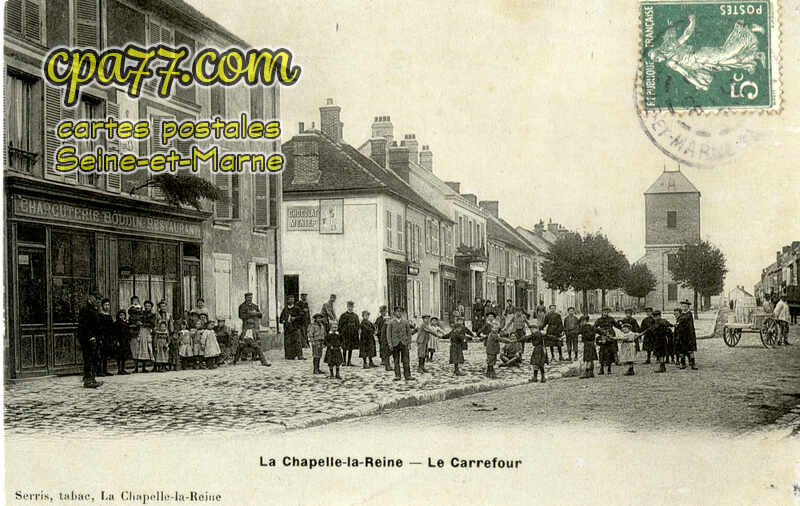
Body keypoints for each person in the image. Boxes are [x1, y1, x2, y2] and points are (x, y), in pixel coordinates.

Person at [237, 292, 271, 366]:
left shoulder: (255, 306)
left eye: (251, 297)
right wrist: (252, 314)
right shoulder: (242, 306)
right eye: (248, 297)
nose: (250, 299)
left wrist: (254, 313)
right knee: (246, 339)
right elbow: (241, 316)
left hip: (255, 326)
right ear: (245, 298)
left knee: (256, 339)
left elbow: (260, 315)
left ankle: (254, 356)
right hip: (246, 325)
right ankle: (244, 355)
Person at [77, 293, 102, 388]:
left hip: (93, 337)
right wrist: (91, 336)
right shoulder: (86, 310)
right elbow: (85, 326)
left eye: (99, 299)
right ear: (90, 299)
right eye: (96, 299)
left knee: (94, 358)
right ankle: (88, 380)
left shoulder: (93, 309)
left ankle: (92, 378)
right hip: (88, 338)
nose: (98, 301)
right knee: (89, 358)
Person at [386, 307, 417, 381]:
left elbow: (409, 333)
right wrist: (390, 344)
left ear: (402, 313)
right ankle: (397, 375)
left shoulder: (405, 322)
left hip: (404, 343)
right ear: (394, 313)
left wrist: (409, 343)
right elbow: (388, 334)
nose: (399, 313)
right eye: (397, 311)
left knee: (406, 360)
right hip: (395, 344)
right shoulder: (391, 322)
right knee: (396, 360)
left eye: (400, 312)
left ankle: (407, 375)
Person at [478, 311, 508, 379]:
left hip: (493, 344)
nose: (490, 317)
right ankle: (490, 371)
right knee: (490, 357)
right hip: (490, 344)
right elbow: (481, 331)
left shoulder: (495, 324)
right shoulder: (487, 325)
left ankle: (490, 371)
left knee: (492, 358)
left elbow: (500, 330)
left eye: (492, 316)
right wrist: (482, 335)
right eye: (489, 316)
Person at [280, 295, 306, 360]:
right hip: (287, 328)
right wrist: (284, 321)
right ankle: (289, 356)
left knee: (297, 342)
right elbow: (281, 319)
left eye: (292, 299)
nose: (291, 300)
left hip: (295, 328)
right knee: (288, 342)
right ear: (287, 301)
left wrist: (295, 318)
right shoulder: (285, 309)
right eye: (290, 299)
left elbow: (302, 316)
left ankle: (300, 356)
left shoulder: (297, 308)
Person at [675, 300, 698, 370]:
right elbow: (678, 321)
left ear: (688, 307)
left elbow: (684, 319)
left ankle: (693, 364)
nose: (684, 307)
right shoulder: (681, 315)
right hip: (682, 335)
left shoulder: (689, 314)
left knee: (690, 350)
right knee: (682, 350)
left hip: (689, 335)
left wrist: (679, 322)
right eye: (683, 306)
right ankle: (683, 363)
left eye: (685, 306)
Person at [135, 300, 156, 373]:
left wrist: (143, 324)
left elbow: (152, 324)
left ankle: (152, 365)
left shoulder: (153, 315)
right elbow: (137, 321)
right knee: (141, 348)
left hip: (148, 331)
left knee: (148, 348)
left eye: (149, 306)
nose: (147, 307)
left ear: (151, 307)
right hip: (141, 332)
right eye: (146, 306)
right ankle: (141, 366)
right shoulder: (141, 314)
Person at [96, 298, 115, 377]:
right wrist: (100, 337)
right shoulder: (100, 316)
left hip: (108, 337)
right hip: (102, 336)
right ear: (102, 306)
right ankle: (99, 371)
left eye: (108, 305)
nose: (107, 307)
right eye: (105, 305)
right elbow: (98, 327)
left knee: (106, 354)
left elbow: (111, 327)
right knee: (100, 354)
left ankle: (105, 370)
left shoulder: (109, 316)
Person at [337, 301, 360, 366]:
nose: (350, 308)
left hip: (352, 335)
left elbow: (357, 325)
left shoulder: (355, 316)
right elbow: (340, 325)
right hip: (345, 335)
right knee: (344, 348)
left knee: (350, 348)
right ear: (347, 307)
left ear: (353, 307)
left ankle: (349, 361)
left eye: (351, 307)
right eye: (349, 307)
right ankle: (344, 361)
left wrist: (356, 331)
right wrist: (340, 333)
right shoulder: (343, 315)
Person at [127, 296, 143, 373]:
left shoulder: (141, 311)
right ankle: (135, 366)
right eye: (134, 300)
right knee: (134, 349)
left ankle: (141, 366)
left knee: (141, 349)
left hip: (141, 331)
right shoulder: (131, 313)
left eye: (136, 300)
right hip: (134, 332)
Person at [112, 309, 130, 375]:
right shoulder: (116, 323)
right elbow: (115, 333)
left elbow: (127, 332)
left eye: (123, 315)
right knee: (119, 356)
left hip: (125, 341)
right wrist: (116, 341)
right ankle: (119, 369)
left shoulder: (126, 323)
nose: (122, 316)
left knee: (124, 356)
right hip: (120, 341)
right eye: (120, 315)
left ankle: (123, 368)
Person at [374, 306, 391, 371]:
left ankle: (386, 359)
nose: (383, 313)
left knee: (386, 348)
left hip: (387, 335)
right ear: (380, 312)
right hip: (380, 335)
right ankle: (383, 359)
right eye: (382, 312)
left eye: (385, 312)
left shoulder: (388, 318)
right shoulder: (379, 319)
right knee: (382, 347)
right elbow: (375, 325)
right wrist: (376, 330)